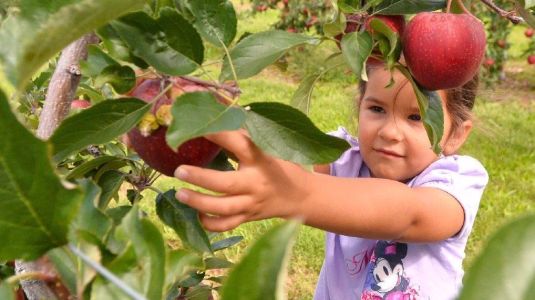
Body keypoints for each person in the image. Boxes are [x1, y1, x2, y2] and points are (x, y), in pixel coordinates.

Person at [172, 62, 488, 299]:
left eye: (416, 117)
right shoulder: (343, 158)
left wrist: (294, 194)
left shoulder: (454, 182)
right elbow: (279, 163)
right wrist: (208, 120)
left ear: (457, 134)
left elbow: (410, 214)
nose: (390, 132)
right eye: (377, 108)